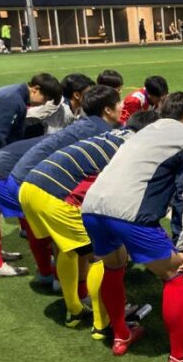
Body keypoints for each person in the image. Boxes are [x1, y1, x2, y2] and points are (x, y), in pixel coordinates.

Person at [82, 93, 183, 362]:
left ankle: (121, 335)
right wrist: (179, 245)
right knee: (174, 274)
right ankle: (180, 355)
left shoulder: (146, 129)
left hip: (92, 206)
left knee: (113, 268)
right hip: (130, 212)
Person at [19, 111, 160, 339]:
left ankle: (74, 310)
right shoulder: (135, 147)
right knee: (100, 254)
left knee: (70, 249)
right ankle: (101, 324)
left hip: (30, 187)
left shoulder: (114, 134)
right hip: (58, 195)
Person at [10, 85, 122, 326]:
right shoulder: (102, 132)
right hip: (50, 188)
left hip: (27, 182)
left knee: (67, 247)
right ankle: (100, 317)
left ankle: (68, 294)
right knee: (96, 253)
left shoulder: (85, 124)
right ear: (108, 110)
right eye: (118, 104)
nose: (122, 109)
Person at [0, 74, 62, 277]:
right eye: (45, 97)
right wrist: (1, 168)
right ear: (35, 89)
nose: (43, 103)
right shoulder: (12, 100)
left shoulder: (15, 96)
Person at [26, 73, 95, 135]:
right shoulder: (59, 109)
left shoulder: (79, 109)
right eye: (88, 93)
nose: (91, 96)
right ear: (77, 95)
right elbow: (51, 138)